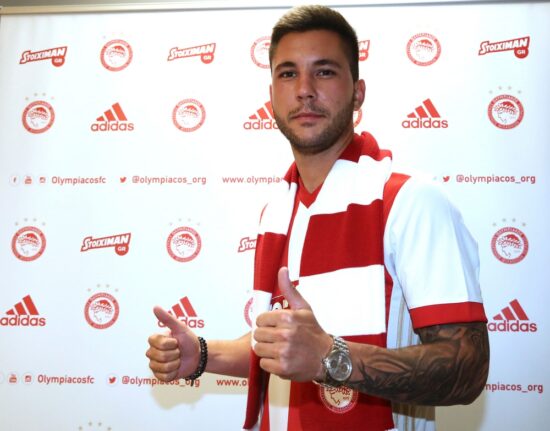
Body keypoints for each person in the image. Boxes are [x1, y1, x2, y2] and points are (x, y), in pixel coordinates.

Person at [146, 5, 489, 430]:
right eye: (288, 74)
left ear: (358, 92)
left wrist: (330, 358)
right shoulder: (278, 210)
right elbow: (284, 347)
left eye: (324, 72)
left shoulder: (410, 201)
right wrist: (202, 354)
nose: (304, 90)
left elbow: (467, 368)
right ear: (271, 94)